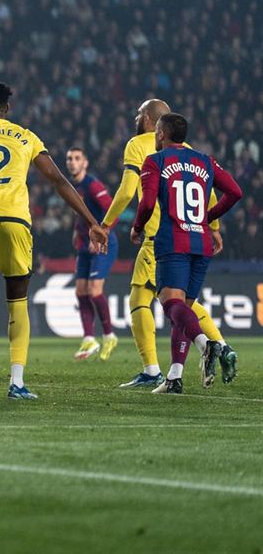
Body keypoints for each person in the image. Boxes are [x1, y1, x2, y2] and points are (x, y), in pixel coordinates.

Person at [0, 82, 108, 400]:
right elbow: (59, 180)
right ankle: (16, 382)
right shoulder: (26, 136)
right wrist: (91, 222)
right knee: (17, 300)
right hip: (16, 220)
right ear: (8, 108)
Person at [100, 99, 231, 388]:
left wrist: (106, 224)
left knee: (150, 300)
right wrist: (214, 226)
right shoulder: (188, 150)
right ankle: (213, 351)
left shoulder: (138, 146)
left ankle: (156, 368)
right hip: (194, 231)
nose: (136, 117)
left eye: (138, 113)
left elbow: (126, 191)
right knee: (182, 301)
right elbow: (210, 191)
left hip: (162, 236)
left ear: (150, 120)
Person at [130, 113, 242, 393]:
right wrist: (207, 217)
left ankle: (208, 345)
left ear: (161, 133)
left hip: (173, 241)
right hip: (200, 242)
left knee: (171, 305)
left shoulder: (155, 161)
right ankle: (174, 377)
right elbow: (235, 192)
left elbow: (145, 203)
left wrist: (137, 227)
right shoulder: (205, 160)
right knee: (184, 311)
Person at [64, 147, 120, 361]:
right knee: (80, 291)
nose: (72, 162)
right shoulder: (73, 186)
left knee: (94, 290)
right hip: (85, 244)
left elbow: (112, 209)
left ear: (85, 163)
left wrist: (102, 234)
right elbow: (81, 214)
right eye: (69, 158)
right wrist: (76, 233)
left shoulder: (92, 185)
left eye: (77, 158)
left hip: (103, 243)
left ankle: (109, 335)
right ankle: (89, 338)